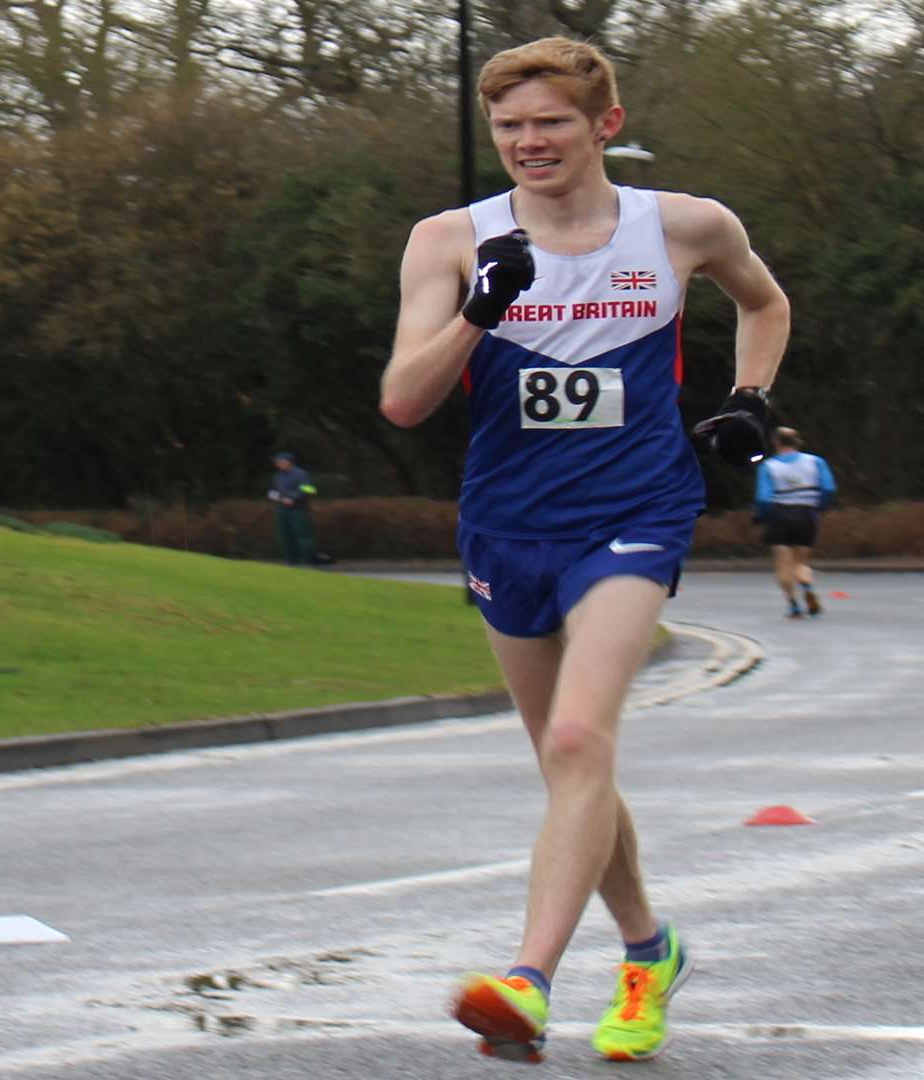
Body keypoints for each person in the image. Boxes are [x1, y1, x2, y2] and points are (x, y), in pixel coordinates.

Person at [378, 36, 790, 1065]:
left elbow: (764, 301)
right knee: (573, 771)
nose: (529, 143)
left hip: (637, 507)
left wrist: (749, 401)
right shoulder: (448, 241)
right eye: (510, 127)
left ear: (602, 126)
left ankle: (527, 980)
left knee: (576, 743)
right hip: (507, 523)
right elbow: (403, 399)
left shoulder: (684, 226)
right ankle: (649, 950)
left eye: (550, 122)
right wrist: (483, 309)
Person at [755, 426, 836, 618]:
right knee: (800, 562)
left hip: (780, 515)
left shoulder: (768, 466)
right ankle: (807, 586)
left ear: (775, 442)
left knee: (783, 564)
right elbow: (828, 488)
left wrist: (763, 515)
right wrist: (819, 506)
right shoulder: (816, 462)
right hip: (807, 514)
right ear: (797, 441)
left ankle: (793, 605)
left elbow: (764, 498)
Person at [265, 451, 318, 565]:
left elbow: (309, 490)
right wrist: (278, 498)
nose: (277, 464)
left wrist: (293, 499)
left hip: (298, 510)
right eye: (276, 462)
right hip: (282, 510)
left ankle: (307, 560)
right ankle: (290, 561)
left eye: (279, 462)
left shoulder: (301, 474)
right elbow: (272, 492)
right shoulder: (277, 476)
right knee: (285, 536)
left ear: (288, 462)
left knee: (303, 536)